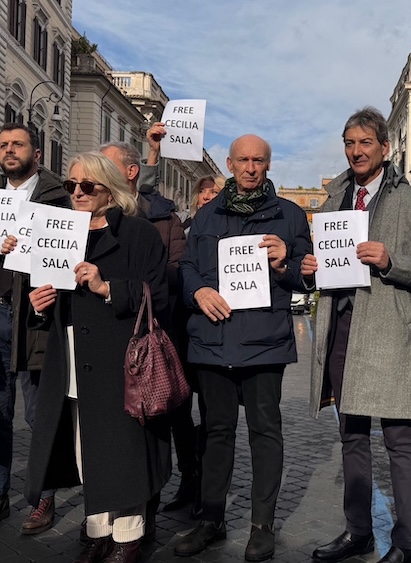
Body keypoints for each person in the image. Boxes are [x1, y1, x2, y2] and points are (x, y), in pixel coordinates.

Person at [18, 152, 171, 563]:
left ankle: (129, 534)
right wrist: (38, 304)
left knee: (125, 448)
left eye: (88, 186)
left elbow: (158, 296)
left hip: (122, 360)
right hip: (71, 355)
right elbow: (44, 298)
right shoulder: (59, 232)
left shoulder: (140, 233)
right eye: (71, 186)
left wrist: (107, 288)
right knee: (86, 446)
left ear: (111, 188)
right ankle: (97, 529)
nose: (78, 193)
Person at [304, 107, 411, 563]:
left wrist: (390, 261)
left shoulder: (410, 201)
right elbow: (321, 261)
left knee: (399, 441)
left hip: (387, 331)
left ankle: (407, 545)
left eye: (365, 142)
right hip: (341, 328)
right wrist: (311, 268)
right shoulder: (335, 198)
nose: (356, 150)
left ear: (385, 148)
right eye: (349, 142)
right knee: (351, 436)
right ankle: (358, 532)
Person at [176, 134, 312, 562]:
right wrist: (197, 292)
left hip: (264, 343)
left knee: (265, 432)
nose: (251, 167)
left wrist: (286, 260)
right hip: (212, 340)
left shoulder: (290, 216)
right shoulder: (207, 214)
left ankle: (262, 525)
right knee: (216, 433)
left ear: (268, 165)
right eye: (243, 160)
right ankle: (211, 520)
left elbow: (307, 275)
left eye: (259, 161)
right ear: (230, 165)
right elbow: (187, 267)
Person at [0, 123, 69, 535]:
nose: (9, 151)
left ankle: (44, 497)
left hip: (35, 319)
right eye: (3, 145)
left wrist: (30, 250)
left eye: (17, 144)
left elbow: (65, 256)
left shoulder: (59, 199)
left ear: (37, 154)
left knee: (41, 414)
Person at [101, 140, 197, 520]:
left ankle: (185, 484)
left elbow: (177, 272)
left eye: (103, 169)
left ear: (129, 172)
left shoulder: (164, 220)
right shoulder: (88, 216)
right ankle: (127, 504)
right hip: (108, 335)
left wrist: (142, 269)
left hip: (158, 334)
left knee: (169, 416)